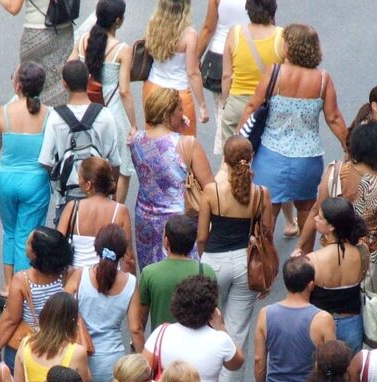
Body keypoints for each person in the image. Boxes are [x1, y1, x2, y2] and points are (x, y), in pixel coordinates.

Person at [242, 24, 348, 236]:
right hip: (307, 159)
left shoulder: (275, 73)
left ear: (289, 46)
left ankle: (264, 264)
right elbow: (334, 118)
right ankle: (304, 257)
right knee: (307, 209)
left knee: (266, 217)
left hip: (270, 156)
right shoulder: (322, 79)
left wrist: (238, 143)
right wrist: (349, 147)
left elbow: (252, 107)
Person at [198, 137, 272, 382]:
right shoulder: (261, 194)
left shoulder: (211, 191)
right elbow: (265, 234)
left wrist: (205, 259)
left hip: (214, 262)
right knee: (237, 330)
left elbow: (202, 236)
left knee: (206, 325)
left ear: (225, 161)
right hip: (244, 262)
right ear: (251, 158)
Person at [297, 123, 377, 303]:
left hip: (332, 251)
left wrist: (301, 247)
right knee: (369, 309)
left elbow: (316, 209)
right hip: (370, 259)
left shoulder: (335, 171)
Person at [0, 62, 51, 306]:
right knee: (28, 233)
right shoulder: (48, 114)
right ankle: (22, 286)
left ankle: (6, 285)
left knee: (11, 231)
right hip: (34, 180)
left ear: (17, 85)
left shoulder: (3, 112)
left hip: (6, 179)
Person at [130, 88, 213, 270]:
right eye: (180, 110)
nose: (183, 114)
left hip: (145, 218)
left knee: (151, 271)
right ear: (168, 114)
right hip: (179, 223)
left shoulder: (135, 140)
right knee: (184, 275)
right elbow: (210, 188)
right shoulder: (187, 144)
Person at [142, 275, 243, 382]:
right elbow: (236, 364)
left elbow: (142, 368)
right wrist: (221, 326)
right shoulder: (220, 339)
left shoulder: (162, 333)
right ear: (211, 310)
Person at [69, 1, 137, 203]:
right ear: (118, 21)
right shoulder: (121, 50)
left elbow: (70, 68)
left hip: (86, 113)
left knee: (89, 164)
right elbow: (124, 91)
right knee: (123, 169)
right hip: (113, 116)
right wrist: (133, 124)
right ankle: (114, 212)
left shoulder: (82, 42)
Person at [38, 60, 121, 217]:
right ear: (89, 79)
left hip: (67, 199)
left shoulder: (55, 117)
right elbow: (115, 161)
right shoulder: (105, 114)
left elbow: (45, 161)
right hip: (100, 196)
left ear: (64, 84)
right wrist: (111, 189)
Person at [0, 227, 74, 370]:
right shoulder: (68, 275)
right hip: (59, 344)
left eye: (29, 244)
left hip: (27, 345)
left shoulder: (22, 280)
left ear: (36, 254)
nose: (25, 245)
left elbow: (11, 319)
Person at [76, 224, 140, 382]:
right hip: (111, 359)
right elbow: (136, 329)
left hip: (79, 356)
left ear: (96, 247)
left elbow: (62, 307)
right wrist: (144, 362)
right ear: (122, 252)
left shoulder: (80, 276)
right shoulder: (131, 283)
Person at [219, 0, 283, 160]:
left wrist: (228, 101)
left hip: (237, 103)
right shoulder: (281, 37)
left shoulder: (235, 33)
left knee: (231, 161)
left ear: (248, 10)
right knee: (261, 158)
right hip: (266, 106)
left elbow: (227, 75)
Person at [305, 197, 369, 356]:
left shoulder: (313, 260)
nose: (315, 219)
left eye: (320, 217)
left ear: (331, 226)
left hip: (320, 322)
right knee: (351, 373)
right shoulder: (362, 252)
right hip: (353, 323)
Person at [136, 214, 216, 334]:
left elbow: (140, 322)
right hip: (197, 347)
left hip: (162, 347)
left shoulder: (149, 273)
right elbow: (214, 317)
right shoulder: (205, 271)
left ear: (166, 242)